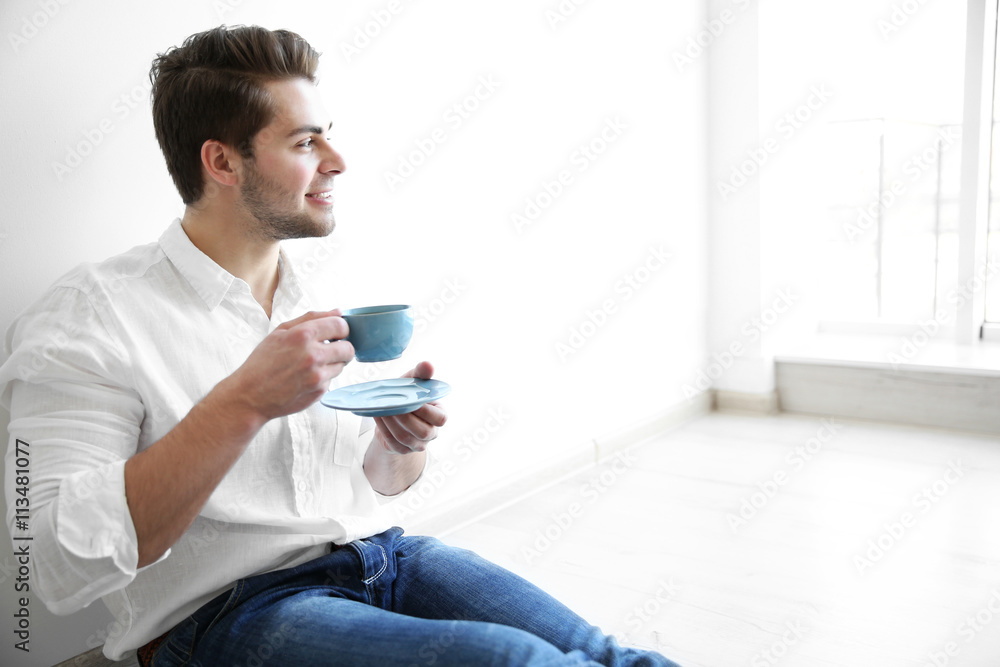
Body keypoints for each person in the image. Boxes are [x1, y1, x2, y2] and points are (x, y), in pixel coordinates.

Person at [0, 25, 680, 666]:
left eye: (328, 136)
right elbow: (51, 561)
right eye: (304, 143)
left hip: (382, 557)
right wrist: (242, 401)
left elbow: (374, 486)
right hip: (222, 617)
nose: (339, 161)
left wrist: (397, 444)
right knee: (516, 661)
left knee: (614, 656)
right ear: (222, 162)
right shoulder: (89, 318)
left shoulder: (310, 301)